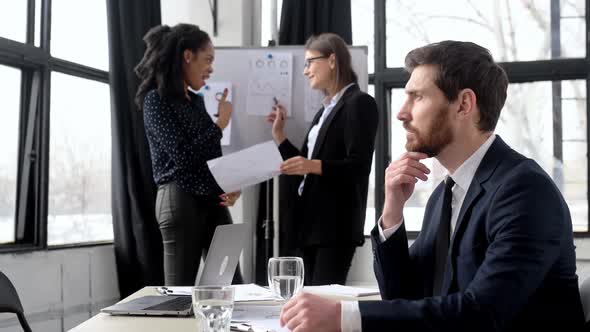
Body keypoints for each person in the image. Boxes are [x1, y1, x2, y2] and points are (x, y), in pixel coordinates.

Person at [278, 40, 585, 332]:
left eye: (418, 96)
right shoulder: (444, 194)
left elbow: (481, 314)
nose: (401, 113)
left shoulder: (525, 192)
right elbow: (405, 295)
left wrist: (342, 317)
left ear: (464, 104)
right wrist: (392, 212)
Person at [267, 33, 378, 286]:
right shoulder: (324, 111)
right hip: (309, 224)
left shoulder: (360, 103)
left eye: (309, 63)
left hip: (334, 227)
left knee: (321, 305)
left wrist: (311, 165)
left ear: (331, 60)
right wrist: (280, 136)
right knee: (304, 301)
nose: (306, 71)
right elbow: (304, 165)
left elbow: (358, 167)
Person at [135, 23, 242, 286]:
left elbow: (209, 157)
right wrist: (220, 125)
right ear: (187, 56)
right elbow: (183, 155)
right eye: (207, 60)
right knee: (180, 293)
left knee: (232, 287)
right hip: (180, 201)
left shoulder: (195, 102)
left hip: (211, 201)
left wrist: (228, 185)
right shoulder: (156, 100)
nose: (211, 68)